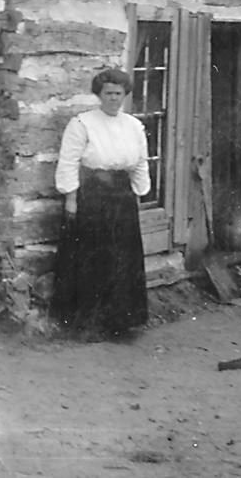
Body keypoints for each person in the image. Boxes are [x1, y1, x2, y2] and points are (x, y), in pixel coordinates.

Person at [53, 67, 151, 339]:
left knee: (122, 260)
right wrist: (71, 198)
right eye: (108, 93)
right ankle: (88, 322)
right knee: (93, 258)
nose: (113, 99)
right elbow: (69, 161)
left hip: (122, 195)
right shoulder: (82, 123)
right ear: (99, 94)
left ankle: (120, 321)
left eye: (118, 94)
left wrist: (139, 193)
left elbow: (140, 162)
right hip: (93, 194)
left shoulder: (133, 125)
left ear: (125, 95)